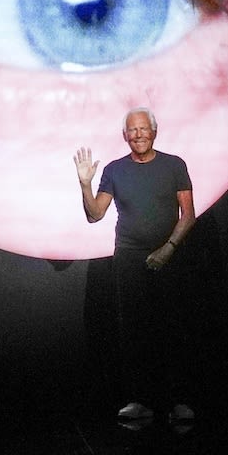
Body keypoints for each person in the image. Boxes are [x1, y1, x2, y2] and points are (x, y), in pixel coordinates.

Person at [75, 110, 199, 423]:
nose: (139, 134)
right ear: (125, 135)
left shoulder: (174, 165)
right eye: (133, 130)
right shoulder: (115, 170)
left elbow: (188, 215)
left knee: (172, 327)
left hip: (169, 257)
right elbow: (95, 215)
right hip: (128, 258)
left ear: (154, 132)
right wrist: (85, 184)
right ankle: (139, 400)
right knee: (133, 330)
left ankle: (178, 402)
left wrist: (167, 250)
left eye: (144, 128)